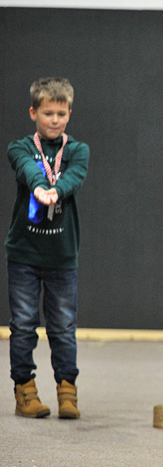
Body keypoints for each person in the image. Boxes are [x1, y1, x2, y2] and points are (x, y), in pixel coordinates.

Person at [6, 77, 90, 420]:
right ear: (33, 113)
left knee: (62, 326)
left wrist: (58, 190)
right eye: (47, 113)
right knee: (24, 324)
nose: (54, 120)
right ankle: (25, 391)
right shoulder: (20, 147)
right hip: (24, 254)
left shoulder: (77, 150)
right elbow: (26, 168)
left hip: (62, 255)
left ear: (69, 113)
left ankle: (67, 391)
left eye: (60, 113)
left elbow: (75, 176)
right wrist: (40, 185)